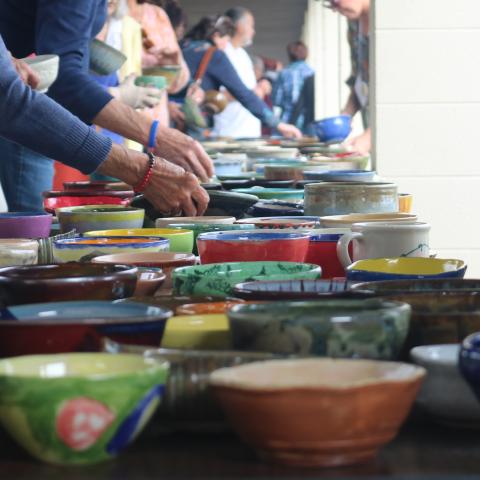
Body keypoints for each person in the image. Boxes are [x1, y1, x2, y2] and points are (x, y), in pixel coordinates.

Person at [0, 0, 212, 212]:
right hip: (28, 119)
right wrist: (152, 148)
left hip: (36, 112)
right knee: (32, 224)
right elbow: (56, 81)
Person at [180, 16, 301, 139]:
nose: (225, 46)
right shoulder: (214, 55)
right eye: (226, 40)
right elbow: (243, 94)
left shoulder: (181, 46)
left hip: (168, 121)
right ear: (216, 36)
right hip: (191, 127)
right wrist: (278, 124)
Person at [326, 0, 371, 154]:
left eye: (335, 1)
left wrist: (371, 137)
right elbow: (360, 77)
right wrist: (346, 115)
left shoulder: (392, 21)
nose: (334, 8)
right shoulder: (353, 26)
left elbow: (409, 92)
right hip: (373, 133)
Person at [212, 7, 263, 138]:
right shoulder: (222, 53)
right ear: (240, 26)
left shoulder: (242, 54)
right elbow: (216, 96)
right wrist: (253, 93)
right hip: (230, 134)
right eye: (251, 25)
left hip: (250, 132)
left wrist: (258, 90)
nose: (253, 31)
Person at [272, 41, 314, 134]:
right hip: (306, 121)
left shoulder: (283, 73)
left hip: (287, 121)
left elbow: (276, 100)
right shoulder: (311, 72)